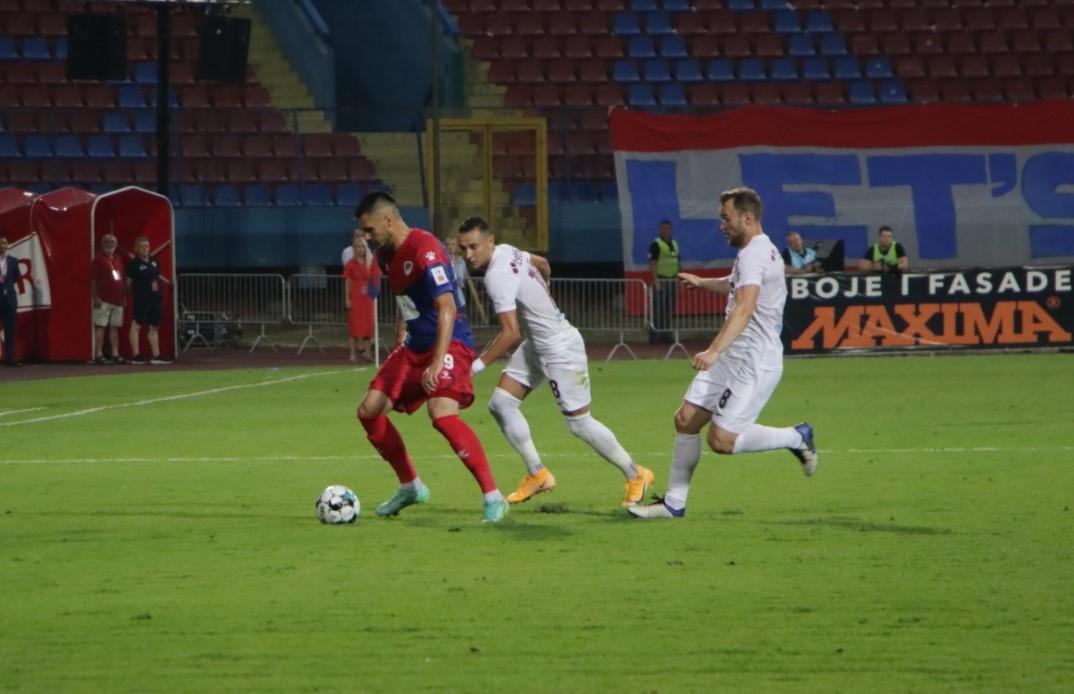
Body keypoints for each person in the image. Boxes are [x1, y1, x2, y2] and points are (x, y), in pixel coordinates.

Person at [629, 187, 818, 520]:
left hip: (753, 359)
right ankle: (673, 504)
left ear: (747, 218)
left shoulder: (756, 253)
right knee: (686, 420)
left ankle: (796, 436)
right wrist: (704, 284)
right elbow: (736, 284)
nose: (721, 225)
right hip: (735, 354)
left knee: (722, 440)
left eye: (725, 217)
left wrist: (714, 350)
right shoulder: (754, 250)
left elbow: (744, 308)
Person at [457, 217, 656, 507]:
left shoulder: (495, 275)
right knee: (501, 404)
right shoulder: (508, 250)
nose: (468, 255)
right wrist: (543, 296)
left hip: (560, 348)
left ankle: (636, 473)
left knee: (579, 424)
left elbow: (510, 333)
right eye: (463, 249)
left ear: (490, 241)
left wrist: (475, 367)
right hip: (539, 344)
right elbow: (544, 264)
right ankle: (537, 474)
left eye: (474, 247)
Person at [353, 192, 508, 523]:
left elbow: (447, 306)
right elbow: (405, 299)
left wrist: (437, 361)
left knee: (441, 414)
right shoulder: (384, 255)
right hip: (414, 345)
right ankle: (411, 486)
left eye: (369, 230)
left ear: (388, 221)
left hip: (450, 343)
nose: (366, 238)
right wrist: (400, 336)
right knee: (369, 411)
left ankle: (493, 497)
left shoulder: (425, 248)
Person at [126, 235, 171, 365]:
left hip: (156, 298)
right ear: (136, 249)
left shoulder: (154, 261)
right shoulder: (134, 265)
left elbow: (157, 277)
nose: (145, 249)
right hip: (142, 299)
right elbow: (128, 283)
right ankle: (136, 354)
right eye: (142, 247)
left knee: (154, 326)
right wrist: (135, 294)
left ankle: (156, 355)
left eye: (147, 246)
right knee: (136, 325)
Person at [343, 234, 381, 362]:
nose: (360, 249)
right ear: (354, 248)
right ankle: (352, 353)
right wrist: (347, 299)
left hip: (368, 297)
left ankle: (367, 352)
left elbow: (374, 277)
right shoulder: (350, 264)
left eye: (362, 247)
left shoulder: (370, 263)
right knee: (354, 325)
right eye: (357, 247)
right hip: (355, 296)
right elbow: (347, 282)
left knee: (368, 325)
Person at [91, 233, 127, 365]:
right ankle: (98, 354)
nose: (110, 244)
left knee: (115, 327)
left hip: (117, 300)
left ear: (116, 244)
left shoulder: (118, 258)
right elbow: (93, 280)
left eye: (112, 242)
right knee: (100, 326)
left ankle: (115, 353)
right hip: (103, 299)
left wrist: (124, 297)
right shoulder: (98, 260)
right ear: (102, 244)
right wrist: (95, 297)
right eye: (107, 241)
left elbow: (121, 278)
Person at [648, 219, 680, 344]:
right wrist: (655, 280)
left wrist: (678, 278)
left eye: (668, 228)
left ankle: (667, 334)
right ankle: (655, 335)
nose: (666, 230)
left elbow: (677, 262)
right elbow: (652, 263)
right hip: (661, 278)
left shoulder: (674, 243)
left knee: (669, 308)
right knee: (658, 308)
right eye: (663, 228)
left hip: (672, 279)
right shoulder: (656, 244)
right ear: (660, 229)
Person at [0, 235, 20, 366]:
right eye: (0, 243)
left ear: (8, 245)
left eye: (4, 243)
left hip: (9, 299)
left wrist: (7, 288)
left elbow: (16, 277)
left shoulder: (13, 261)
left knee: (9, 330)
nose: (2, 245)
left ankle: (10, 358)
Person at [443, 236, 468, 309]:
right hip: (446, 298)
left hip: (460, 298)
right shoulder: (441, 261)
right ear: (444, 246)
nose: (450, 247)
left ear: (456, 246)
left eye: (453, 244)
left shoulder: (461, 262)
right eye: (448, 244)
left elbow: (463, 279)